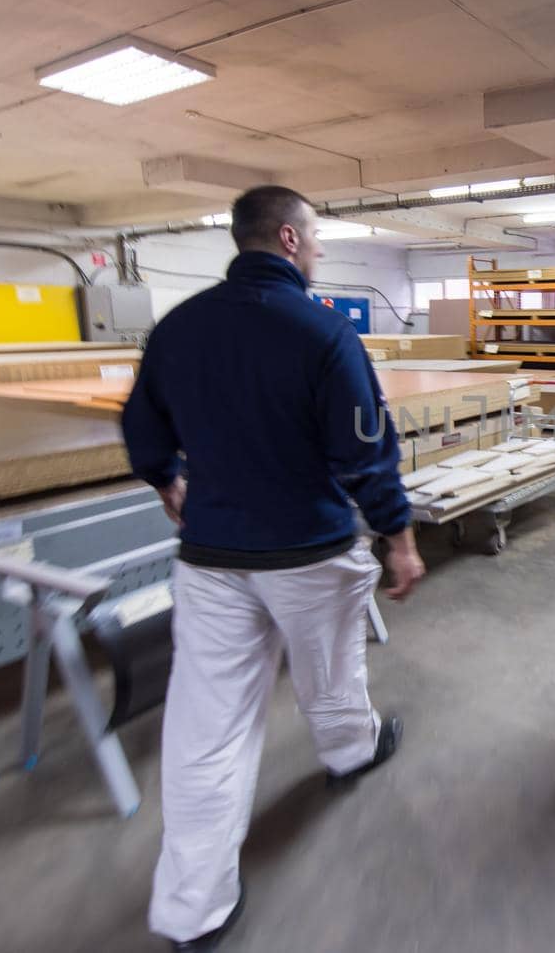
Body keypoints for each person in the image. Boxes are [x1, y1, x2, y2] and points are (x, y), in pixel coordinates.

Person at [122, 185, 425, 951]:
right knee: (329, 670)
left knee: (207, 728)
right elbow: (364, 450)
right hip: (308, 551)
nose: (321, 249)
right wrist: (397, 533)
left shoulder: (177, 330)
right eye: (317, 236)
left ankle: (195, 908)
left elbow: (141, 424)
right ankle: (350, 752)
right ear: (289, 238)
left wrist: (167, 478)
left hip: (213, 557)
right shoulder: (323, 335)